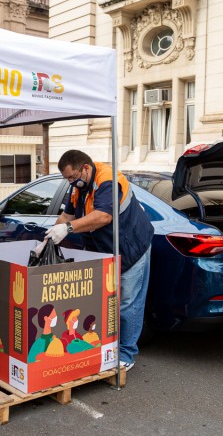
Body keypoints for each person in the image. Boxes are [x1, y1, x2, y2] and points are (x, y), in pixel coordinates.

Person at [46, 150, 154, 372]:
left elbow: (104, 215)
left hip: (131, 247)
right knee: (105, 302)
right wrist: (51, 234)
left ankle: (126, 354)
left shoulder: (107, 179)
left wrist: (67, 229)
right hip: (105, 250)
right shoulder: (78, 186)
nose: (70, 182)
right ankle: (106, 347)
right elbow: (68, 216)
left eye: (71, 177)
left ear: (85, 168)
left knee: (128, 303)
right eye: (66, 179)